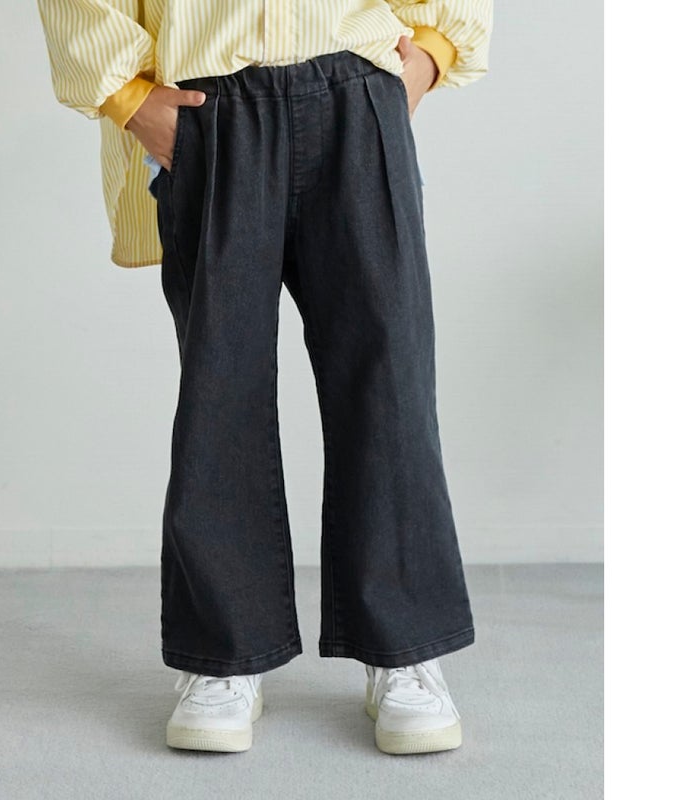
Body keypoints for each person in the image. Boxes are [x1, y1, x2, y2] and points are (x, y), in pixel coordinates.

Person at [36, 0, 494, 756]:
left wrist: (428, 55)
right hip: (209, 106)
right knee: (221, 388)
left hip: (358, 91)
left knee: (390, 384)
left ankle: (403, 646)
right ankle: (225, 652)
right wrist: (128, 98)